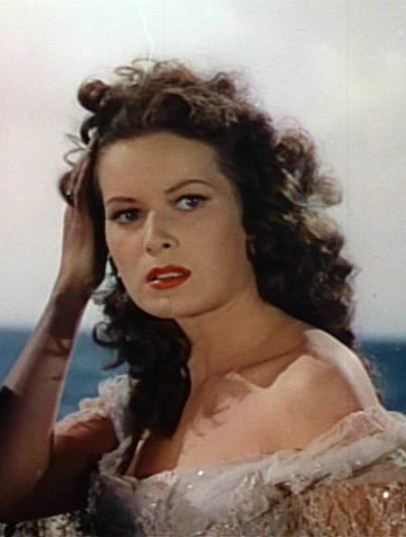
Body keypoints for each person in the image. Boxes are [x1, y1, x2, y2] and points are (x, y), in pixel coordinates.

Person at [1, 59, 405, 536]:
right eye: (128, 214)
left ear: (252, 216)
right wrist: (69, 293)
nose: (156, 237)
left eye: (189, 201)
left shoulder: (309, 385)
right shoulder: (144, 403)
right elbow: (8, 491)